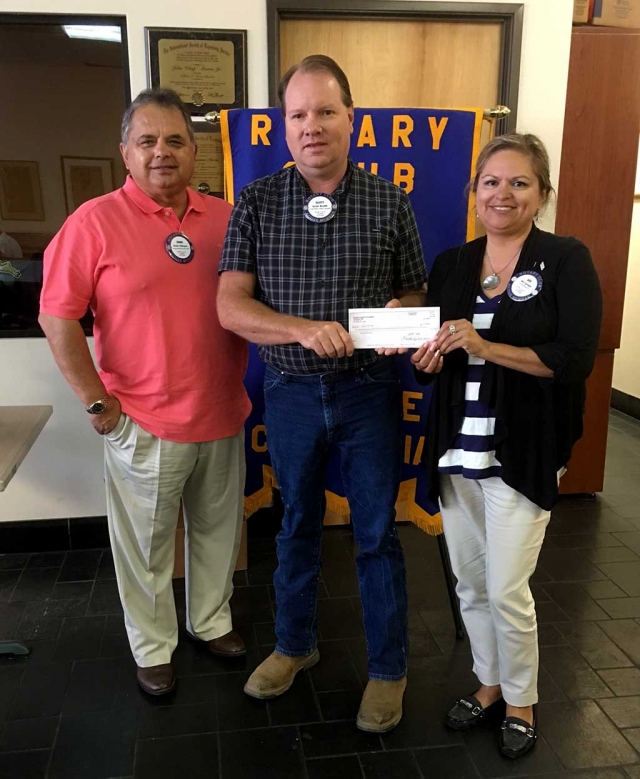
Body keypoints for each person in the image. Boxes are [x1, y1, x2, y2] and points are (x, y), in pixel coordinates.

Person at [217, 55, 426, 732]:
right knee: (297, 523)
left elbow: (417, 292)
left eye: (326, 112)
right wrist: (303, 331)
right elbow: (230, 305)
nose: (312, 126)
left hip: (368, 392)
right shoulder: (256, 202)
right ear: (284, 126)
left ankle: (388, 669)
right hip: (291, 394)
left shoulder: (390, 202)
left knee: (374, 535)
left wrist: (401, 313)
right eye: (298, 114)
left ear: (352, 121)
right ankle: (294, 645)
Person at [39, 88, 251, 696]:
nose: (163, 153)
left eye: (176, 140)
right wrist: (97, 402)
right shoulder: (93, 222)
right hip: (143, 423)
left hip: (223, 412)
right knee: (146, 550)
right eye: (148, 141)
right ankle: (153, 647)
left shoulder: (227, 217)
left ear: (194, 150)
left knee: (216, 534)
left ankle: (211, 622)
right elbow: (58, 318)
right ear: (125, 152)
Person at [412, 133, 602, 758]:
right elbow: (431, 362)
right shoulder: (453, 264)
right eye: (491, 181)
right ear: (473, 194)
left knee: (506, 589)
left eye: (520, 183)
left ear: (541, 195)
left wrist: (485, 346)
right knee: (469, 584)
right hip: (455, 451)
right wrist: (426, 358)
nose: (503, 193)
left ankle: (522, 698)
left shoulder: (566, 259)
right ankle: (488, 684)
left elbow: (572, 360)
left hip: (519, 453)